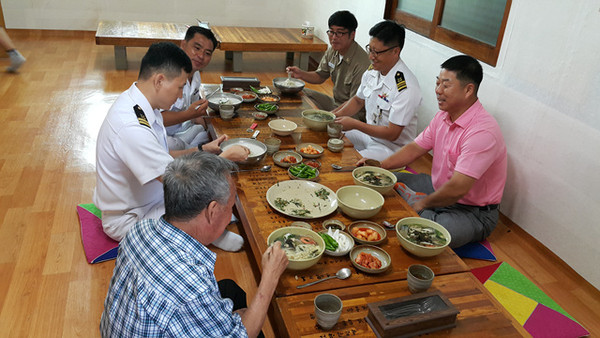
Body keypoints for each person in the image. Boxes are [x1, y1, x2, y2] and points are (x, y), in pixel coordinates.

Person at [100, 151, 289, 337]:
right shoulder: (193, 289)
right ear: (213, 210)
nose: (230, 212)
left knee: (231, 290)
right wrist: (270, 276)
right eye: (230, 206)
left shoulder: (141, 228)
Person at [94, 42, 249, 251]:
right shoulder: (131, 127)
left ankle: (208, 225)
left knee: (213, 197)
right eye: (179, 87)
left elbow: (163, 155)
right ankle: (208, 232)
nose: (179, 95)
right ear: (159, 80)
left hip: (154, 198)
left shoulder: (142, 104)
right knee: (208, 194)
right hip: (130, 217)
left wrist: (202, 151)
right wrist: (223, 159)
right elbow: (180, 183)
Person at [368, 55, 507, 248]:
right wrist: (379, 168)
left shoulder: (482, 131)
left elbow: (458, 188)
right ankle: (419, 211)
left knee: (428, 235)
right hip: (438, 189)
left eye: (446, 85)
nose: (438, 91)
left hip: (472, 212)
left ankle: (420, 212)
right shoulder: (443, 116)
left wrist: (422, 204)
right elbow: (415, 148)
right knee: (384, 180)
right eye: (437, 83)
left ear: (468, 90)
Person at [333, 20, 422, 162]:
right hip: (369, 136)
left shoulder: (406, 87)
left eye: (377, 52)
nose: (371, 57)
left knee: (350, 162)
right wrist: (333, 116)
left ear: (395, 51)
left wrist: (355, 124)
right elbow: (357, 101)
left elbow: (393, 134)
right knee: (331, 134)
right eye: (370, 49)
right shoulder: (373, 72)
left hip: (392, 149)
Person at [286, 10, 370, 120]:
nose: (334, 37)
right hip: (335, 103)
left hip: (353, 114)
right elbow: (320, 76)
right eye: (331, 32)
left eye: (340, 33)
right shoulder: (333, 50)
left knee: (318, 120)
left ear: (352, 34)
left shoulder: (362, 64)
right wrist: (301, 74)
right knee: (301, 92)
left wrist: (330, 115)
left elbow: (356, 103)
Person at [161, 26, 218, 150]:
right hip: (161, 135)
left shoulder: (196, 75)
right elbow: (157, 119)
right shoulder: (167, 74)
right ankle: (193, 152)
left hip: (181, 130)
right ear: (183, 44)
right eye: (197, 48)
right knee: (170, 144)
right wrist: (189, 114)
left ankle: (192, 151)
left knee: (206, 134)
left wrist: (208, 128)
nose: (201, 56)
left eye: (207, 53)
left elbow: (195, 113)